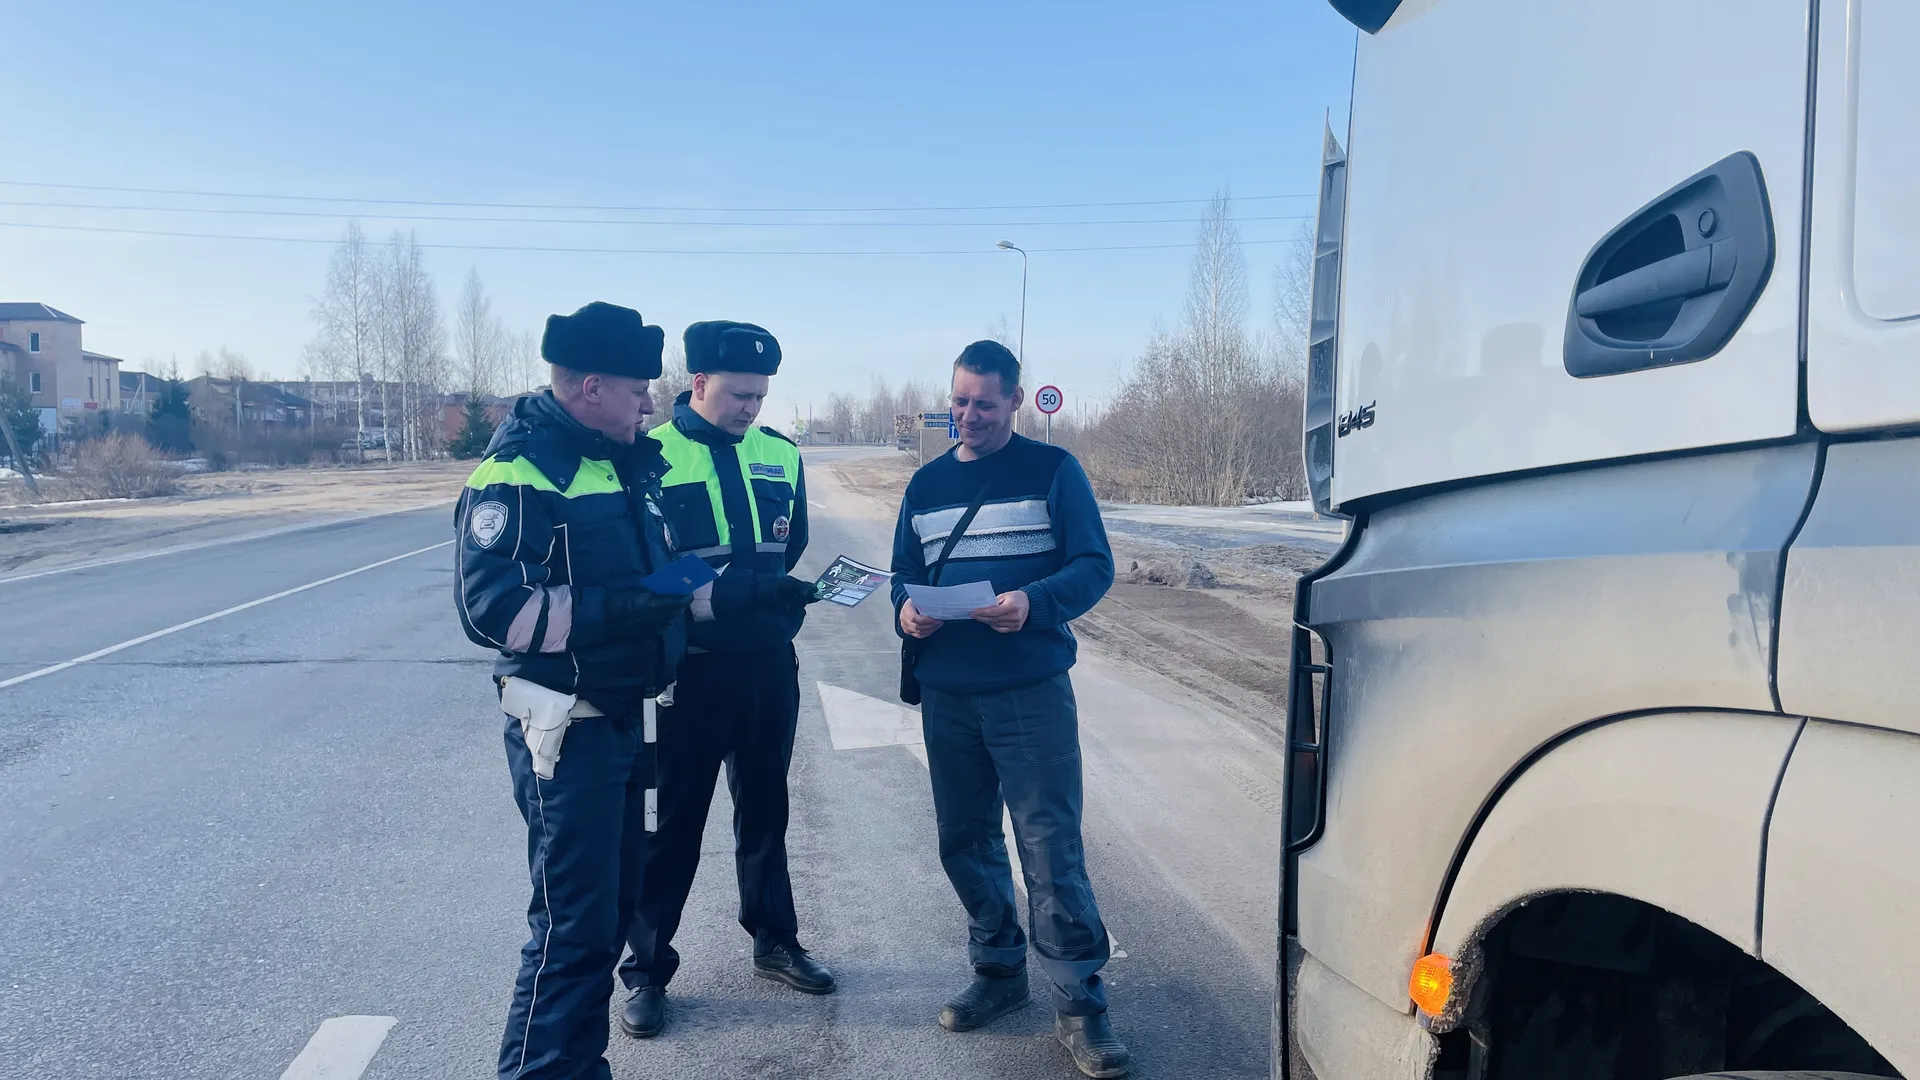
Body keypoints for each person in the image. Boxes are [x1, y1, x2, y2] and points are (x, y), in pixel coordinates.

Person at [454, 301, 690, 1080]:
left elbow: (656, 586)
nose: (651, 403)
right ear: (591, 387)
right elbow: (495, 612)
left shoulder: (624, 463)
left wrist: (746, 598)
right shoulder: (520, 472)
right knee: (572, 927)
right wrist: (617, 613)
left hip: (622, 721)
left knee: (610, 917)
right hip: (566, 731)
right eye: (638, 389)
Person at [889, 340, 1129, 1078]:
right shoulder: (925, 486)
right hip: (948, 693)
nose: (967, 416)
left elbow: (1094, 567)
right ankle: (998, 971)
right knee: (964, 839)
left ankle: (1080, 1000)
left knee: (1049, 845)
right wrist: (907, 615)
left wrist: (1032, 603)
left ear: (1015, 401)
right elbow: (904, 575)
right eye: (958, 401)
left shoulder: (1054, 472)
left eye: (983, 404)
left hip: (1028, 690)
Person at [618, 320, 829, 1040]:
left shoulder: (780, 454)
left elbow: (788, 542)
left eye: (761, 396)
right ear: (698, 383)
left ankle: (774, 939)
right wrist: (724, 589)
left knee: (766, 809)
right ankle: (645, 969)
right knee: (672, 824)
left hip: (768, 666)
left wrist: (773, 593)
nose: (751, 409)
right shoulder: (649, 458)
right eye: (739, 394)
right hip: (687, 672)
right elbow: (643, 573)